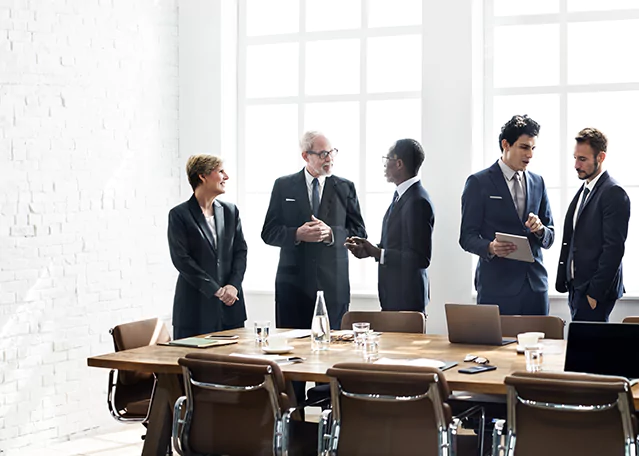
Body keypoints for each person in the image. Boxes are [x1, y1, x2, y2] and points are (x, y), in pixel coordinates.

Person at [261, 131, 367, 330]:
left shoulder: (345, 187)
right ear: (305, 156)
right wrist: (296, 234)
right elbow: (268, 232)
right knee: (292, 353)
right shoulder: (283, 186)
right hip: (292, 288)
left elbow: (359, 232)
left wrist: (331, 234)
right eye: (322, 154)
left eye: (332, 152)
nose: (329, 159)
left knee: (334, 351)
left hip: (334, 288)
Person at [460, 115, 554, 315]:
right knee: (495, 347)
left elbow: (550, 236)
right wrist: (491, 247)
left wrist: (540, 230)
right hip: (497, 288)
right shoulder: (478, 182)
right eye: (524, 147)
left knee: (538, 346)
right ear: (506, 144)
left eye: (533, 148)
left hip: (535, 288)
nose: (530, 154)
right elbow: (466, 237)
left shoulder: (538, 182)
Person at [344, 138, 434, 313]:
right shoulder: (401, 195)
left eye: (387, 159)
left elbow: (420, 258)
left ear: (399, 163)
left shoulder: (418, 201)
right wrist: (370, 250)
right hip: (394, 297)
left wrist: (378, 253)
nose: (384, 165)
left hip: (407, 301)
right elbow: (398, 245)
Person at [168, 155, 248, 339]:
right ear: (202, 176)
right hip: (194, 310)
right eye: (220, 171)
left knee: (234, 365)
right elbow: (181, 259)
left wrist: (233, 286)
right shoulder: (179, 215)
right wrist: (216, 290)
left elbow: (240, 251)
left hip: (230, 308)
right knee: (194, 365)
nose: (226, 177)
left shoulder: (230, 211)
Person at [556, 128, 630, 322]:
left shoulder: (613, 192)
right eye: (575, 158)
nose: (575, 165)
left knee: (591, 350)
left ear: (601, 157)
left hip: (593, 292)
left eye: (582, 159)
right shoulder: (585, 189)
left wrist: (595, 293)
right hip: (577, 288)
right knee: (582, 349)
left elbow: (613, 249)